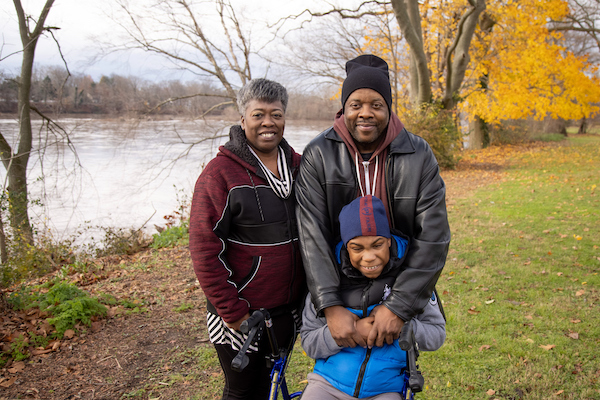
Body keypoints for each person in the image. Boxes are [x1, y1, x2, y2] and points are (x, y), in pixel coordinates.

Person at [295, 54, 450, 349]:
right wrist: (330, 306)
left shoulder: (418, 154)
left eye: (376, 105)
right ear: (345, 108)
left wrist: (399, 307)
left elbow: (434, 235)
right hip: (341, 284)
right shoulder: (319, 153)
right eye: (356, 105)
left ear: (389, 109)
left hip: (398, 282)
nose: (365, 113)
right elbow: (311, 234)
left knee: (391, 374)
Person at [189, 78, 305, 400]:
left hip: (287, 311)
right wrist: (234, 312)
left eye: (276, 114)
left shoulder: (299, 167)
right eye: (258, 114)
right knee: (243, 391)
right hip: (241, 315)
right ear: (243, 120)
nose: (268, 122)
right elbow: (203, 249)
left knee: (272, 383)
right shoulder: (220, 174)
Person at [300, 195, 446, 399]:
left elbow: (436, 334)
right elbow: (308, 340)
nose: (368, 257)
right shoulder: (328, 280)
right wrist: (345, 334)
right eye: (357, 248)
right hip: (327, 384)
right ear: (345, 247)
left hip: (386, 388)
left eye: (377, 245)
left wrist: (402, 324)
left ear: (388, 241)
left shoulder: (411, 279)